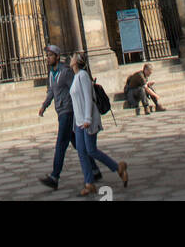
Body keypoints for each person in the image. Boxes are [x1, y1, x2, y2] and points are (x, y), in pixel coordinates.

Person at [38, 43, 102, 190]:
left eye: (50, 55)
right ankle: (94, 169)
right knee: (76, 143)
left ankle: (54, 176)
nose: (47, 58)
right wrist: (44, 105)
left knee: (61, 144)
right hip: (61, 111)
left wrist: (84, 113)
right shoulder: (51, 73)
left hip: (68, 111)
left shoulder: (65, 72)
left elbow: (76, 88)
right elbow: (51, 92)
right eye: (47, 56)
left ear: (57, 56)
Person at [70, 52, 128, 196]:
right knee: (82, 153)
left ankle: (117, 167)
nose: (70, 59)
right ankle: (89, 183)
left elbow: (89, 98)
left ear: (76, 62)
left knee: (91, 150)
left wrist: (88, 119)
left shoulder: (83, 76)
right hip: (78, 122)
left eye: (72, 57)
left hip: (87, 120)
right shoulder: (76, 77)